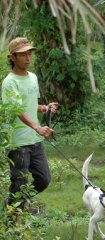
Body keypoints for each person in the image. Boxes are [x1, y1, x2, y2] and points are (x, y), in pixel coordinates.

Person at [1, 37, 58, 206]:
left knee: (43, 179)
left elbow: (28, 103)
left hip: (35, 140)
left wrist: (43, 108)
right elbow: (17, 109)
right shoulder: (9, 83)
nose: (27, 58)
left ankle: (15, 203)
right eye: (22, 55)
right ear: (12, 57)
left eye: (29, 54)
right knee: (19, 183)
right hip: (18, 142)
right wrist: (38, 127)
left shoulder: (32, 77)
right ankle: (13, 220)